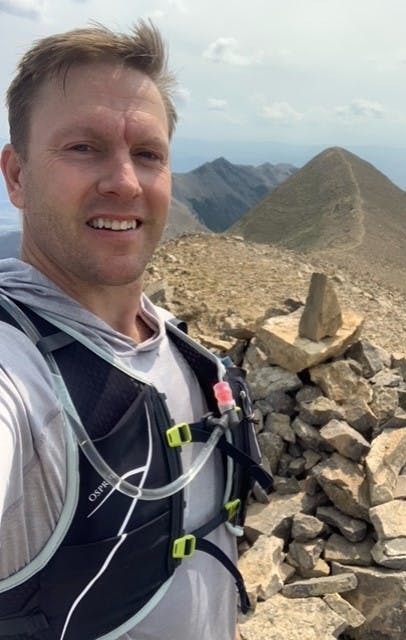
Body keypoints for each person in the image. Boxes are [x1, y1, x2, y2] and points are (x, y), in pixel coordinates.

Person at [0, 20, 254, 640]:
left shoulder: (184, 350)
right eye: (82, 147)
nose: (125, 181)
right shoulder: (18, 369)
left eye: (148, 154)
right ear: (16, 176)